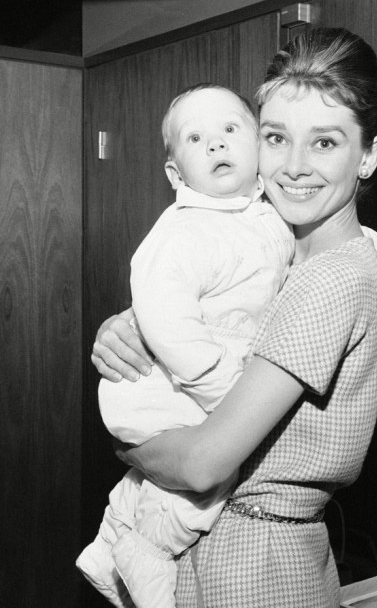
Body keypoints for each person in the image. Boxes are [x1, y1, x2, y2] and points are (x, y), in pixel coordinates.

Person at [90, 27, 377, 608]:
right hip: (225, 550)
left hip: (256, 569)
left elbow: (205, 463)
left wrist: (129, 445)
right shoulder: (276, 251)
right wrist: (128, 332)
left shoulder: (331, 279)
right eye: (277, 137)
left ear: (368, 156)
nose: (296, 167)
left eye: (325, 143)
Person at [78, 84, 295, 608]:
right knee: (201, 490)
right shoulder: (184, 231)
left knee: (156, 482)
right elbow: (168, 323)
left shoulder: (265, 217)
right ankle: (144, 554)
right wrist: (226, 391)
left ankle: (108, 543)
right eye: (196, 138)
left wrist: (368, 242)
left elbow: (287, 271)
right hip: (169, 384)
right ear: (177, 174)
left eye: (230, 130)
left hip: (200, 377)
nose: (217, 145)